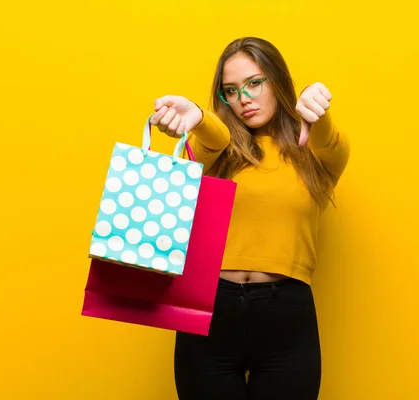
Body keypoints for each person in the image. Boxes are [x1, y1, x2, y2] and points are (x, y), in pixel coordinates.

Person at [149, 37, 350, 400]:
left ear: (278, 82)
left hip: (286, 316)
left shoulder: (314, 157)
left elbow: (329, 140)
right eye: (231, 90)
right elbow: (213, 140)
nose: (243, 99)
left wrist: (315, 107)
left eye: (254, 83)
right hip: (209, 312)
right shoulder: (213, 151)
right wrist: (198, 115)